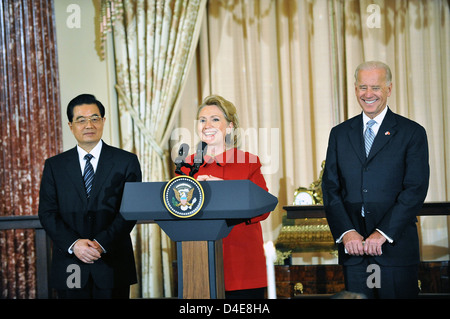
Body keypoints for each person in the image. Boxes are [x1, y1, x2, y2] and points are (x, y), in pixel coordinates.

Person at [321, 61, 429, 298]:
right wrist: (347, 232)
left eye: (375, 88)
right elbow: (330, 187)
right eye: (362, 87)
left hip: (395, 250)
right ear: (355, 89)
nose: (368, 94)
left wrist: (382, 233)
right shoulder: (339, 134)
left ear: (389, 89)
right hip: (354, 252)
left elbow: (415, 189)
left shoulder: (412, 132)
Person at [38, 94, 142, 298]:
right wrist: (74, 244)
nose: (89, 125)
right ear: (70, 125)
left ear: (103, 121)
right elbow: (47, 213)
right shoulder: (55, 166)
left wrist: (100, 244)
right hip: (71, 264)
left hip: (112, 263)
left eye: (95, 118)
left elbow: (129, 210)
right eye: (81, 120)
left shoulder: (126, 161)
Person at [179, 95, 271, 299]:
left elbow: (263, 207)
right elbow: (177, 206)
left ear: (229, 126)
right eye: (202, 120)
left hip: (242, 262)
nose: (206, 125)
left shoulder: (248, 161)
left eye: (215, 119)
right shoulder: (187, 164)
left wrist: (226, 190)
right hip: (199, 261)